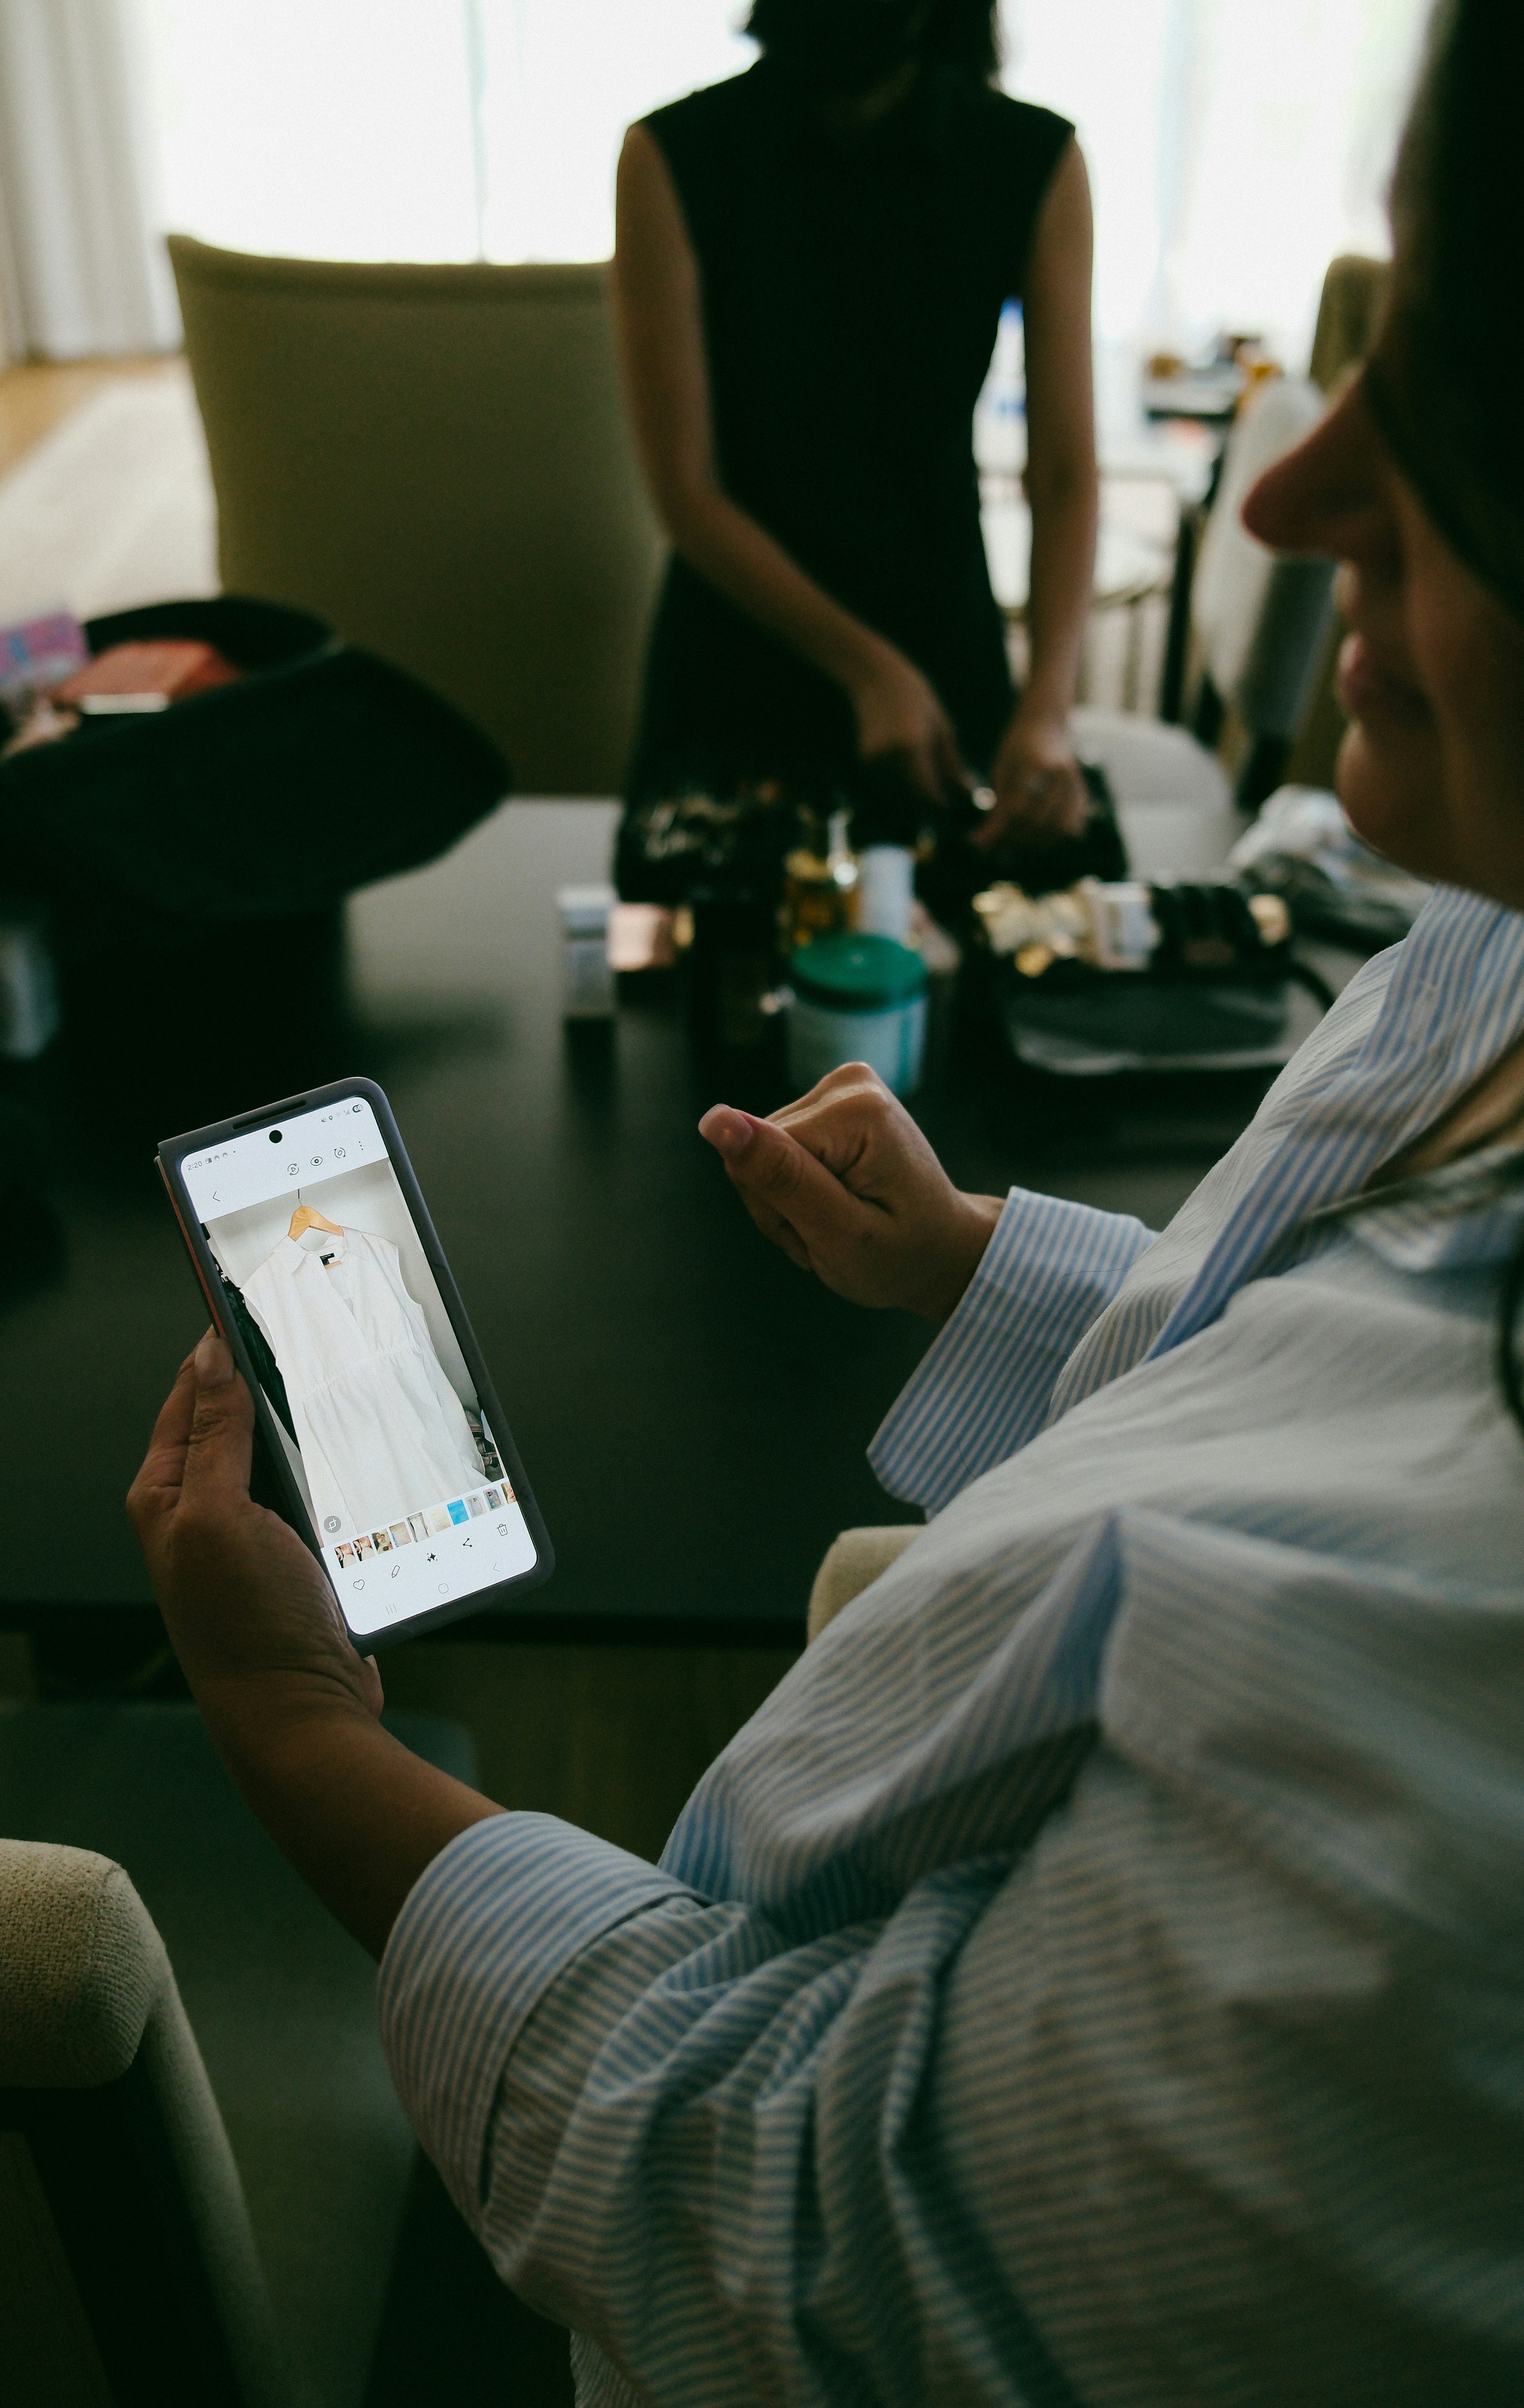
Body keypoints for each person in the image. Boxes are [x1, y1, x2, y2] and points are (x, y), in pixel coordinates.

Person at [129, 3, 1524, 2396]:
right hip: (754, 680)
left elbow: (781, 2210)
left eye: (1468, 375)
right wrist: (988, 1254)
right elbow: (1300, 1363)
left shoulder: (1440, 1697)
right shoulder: (1482, 941)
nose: (1286, 500)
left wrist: (294, 1729)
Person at [612, 0, 1098, 844]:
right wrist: (869, 671)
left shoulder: (1033, 160)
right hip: (737, 656)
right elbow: (687, 489)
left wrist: (1049, 706)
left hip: (945, 644)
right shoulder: (673, 154)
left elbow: (1062, 474)